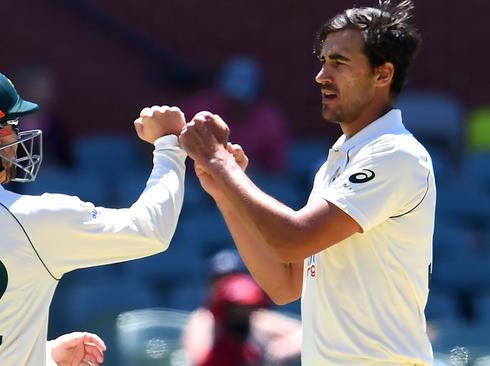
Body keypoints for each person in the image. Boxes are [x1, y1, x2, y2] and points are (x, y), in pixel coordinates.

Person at [179, 1, 433, 364]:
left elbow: (292, 239)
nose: (321, 75)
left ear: (382, 74)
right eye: (324, 60)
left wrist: (221, 163)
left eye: (339, 62)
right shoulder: (338, 161)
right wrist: (225, 196)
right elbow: (284, 286)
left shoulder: (395, 154)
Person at [0, 65, 187, 365]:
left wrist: (42, 354)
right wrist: (168, 146)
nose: (17, 135)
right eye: (10, 125)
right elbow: (150, 230)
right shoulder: (31, 217)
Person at [182, 250, 301, 366]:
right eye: (219, 279)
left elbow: (302, 334)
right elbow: (197, 360)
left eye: (233, 277)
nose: (227, 284)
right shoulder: (204, 320)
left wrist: (279, 350)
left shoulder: (258, 318)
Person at [179, 56, 289, 174]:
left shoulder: (269, 121)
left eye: (241, 101)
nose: (236, 105)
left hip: (249, 178)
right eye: (231, 99)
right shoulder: (199, 107)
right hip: (196, 175)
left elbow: (276, 166)